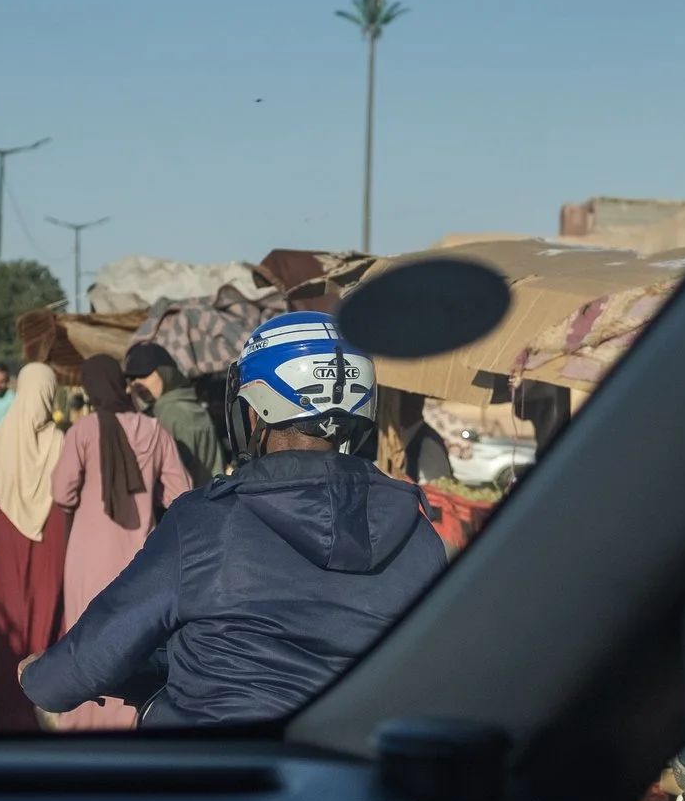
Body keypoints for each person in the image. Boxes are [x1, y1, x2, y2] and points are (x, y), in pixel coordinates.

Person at [24, 312, 449, 727]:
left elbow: (83, 664)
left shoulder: (205, 522)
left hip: (223, 777)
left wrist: (38, 676)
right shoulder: (419, 532)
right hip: (357, 774)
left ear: (254, 412)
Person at [42, 353, 192, 727]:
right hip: (140, 558)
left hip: (87, 558)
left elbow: (62, 492)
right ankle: (128, 723)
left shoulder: (83, 430)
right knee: (135, 644)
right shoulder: (153, 430)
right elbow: (181, 492)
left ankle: (84, 724)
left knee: (84, 642)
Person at [0, 363, 69, 730]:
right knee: (49, 622)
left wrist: (8, 509)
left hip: (8, 548)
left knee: (11, 627)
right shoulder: (60, 441)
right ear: (48, 394)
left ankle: (12, 720)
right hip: (52, 545)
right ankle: (51, 710)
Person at [123, 341, 224, 486]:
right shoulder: (192, 405)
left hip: (183, 503)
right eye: (131, 378)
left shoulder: (169, 413)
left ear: (166, 373)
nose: (137, 383)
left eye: (144, 374)